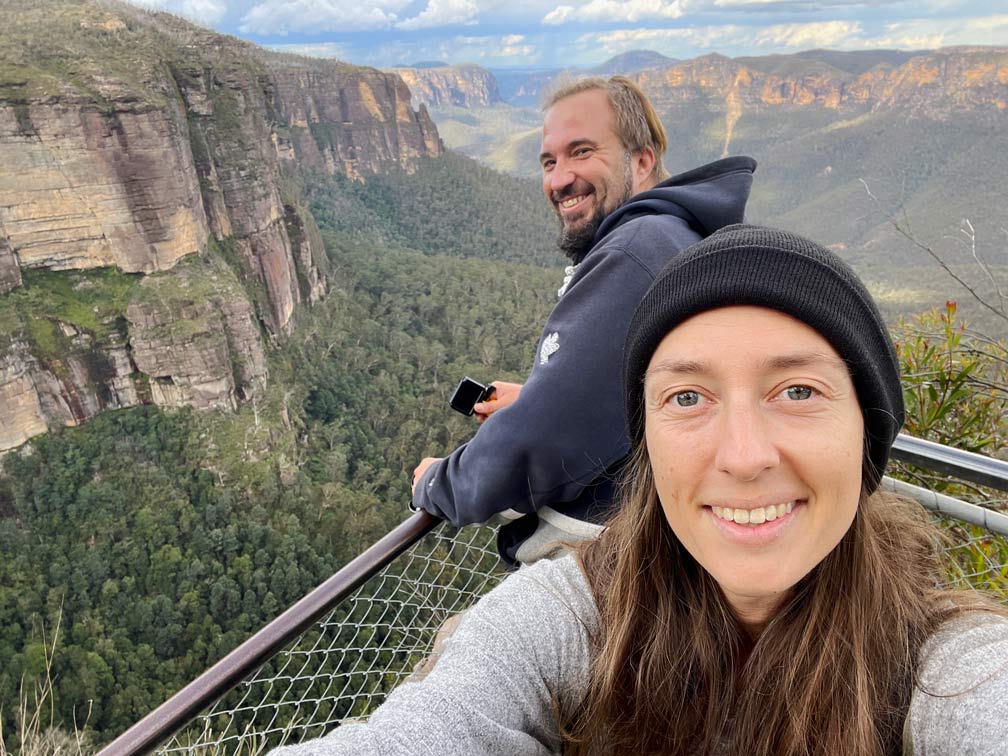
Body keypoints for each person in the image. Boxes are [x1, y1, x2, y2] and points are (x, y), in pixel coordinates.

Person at [273, 225, 1008, 755]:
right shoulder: (566, 623)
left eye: (797, 390)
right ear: (647, 442)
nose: (745, 456)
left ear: (866, 432)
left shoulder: (952, 669)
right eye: (687, 398)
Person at [411, 76, 757, 564]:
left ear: (642, 159)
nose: (558, 179)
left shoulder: (636, 252)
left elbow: (536, 440)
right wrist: (539, 396)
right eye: (550, 162)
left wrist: (438, 482)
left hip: (619, 559)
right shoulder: (674, 233)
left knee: (460, 642)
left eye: (581, 152)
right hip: (664, 537)